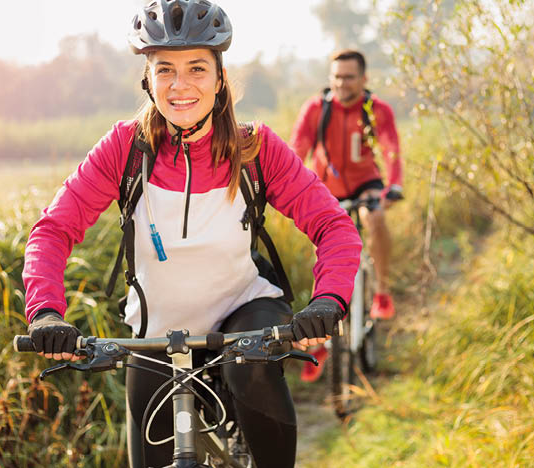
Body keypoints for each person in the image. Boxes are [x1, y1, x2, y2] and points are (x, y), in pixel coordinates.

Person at [22, 2, 361, 467]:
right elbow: (54, 229)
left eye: (197, 68)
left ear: (220, 77)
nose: (180, 86)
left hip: (244, 313)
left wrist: (328, 301)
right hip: (155, 331)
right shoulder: (124, 150)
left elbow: (333, 225)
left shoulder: (254, 149)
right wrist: (45, 312)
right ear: (148, 80)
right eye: (165, 70)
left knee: (254, 374)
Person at [290, 49, 403, 382]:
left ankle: (381, 291)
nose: (342, 83)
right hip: (326, 188)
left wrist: (393, 185)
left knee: (375, 217)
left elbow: (390, 148)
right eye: (336, 76)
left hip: (366, 182)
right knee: (325, 255)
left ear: (364, 79)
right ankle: (319, 340)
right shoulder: (316, 108)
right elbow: (297, 150)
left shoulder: (376, 110)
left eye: (349, 77)